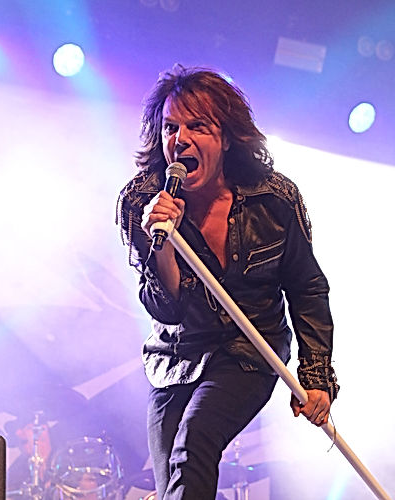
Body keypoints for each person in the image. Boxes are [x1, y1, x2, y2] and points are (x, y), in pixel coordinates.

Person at [116, 64, 339, 500]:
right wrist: (162, 245)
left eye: (197, 126)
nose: (180, 139)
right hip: (177, 356)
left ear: (227, 136)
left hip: (249, 349)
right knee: (173, 485)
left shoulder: (274, 199)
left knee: (194, 442)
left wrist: (316, 374)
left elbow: (307, 287)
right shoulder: (141, 202)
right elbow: (166, 309)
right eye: (170, 127)